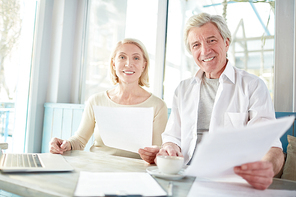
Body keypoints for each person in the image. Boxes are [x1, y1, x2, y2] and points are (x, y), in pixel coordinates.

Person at [139, 13, 284, 190]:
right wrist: (169, 147)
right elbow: (173, 136)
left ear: (226, 42)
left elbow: (272, 146)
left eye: (212, 40)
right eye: (196, 45)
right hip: (184, 177)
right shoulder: (182, 89)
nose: (205, 50)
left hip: (230, 182)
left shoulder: (253, 86)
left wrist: (267, 168)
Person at [49, 38, 168, 159]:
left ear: (144, 65)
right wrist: (64, 145)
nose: (128, 64)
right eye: (122, 57)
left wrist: (155, 156)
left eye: (136, 58)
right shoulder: (96, 101)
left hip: (136, 173)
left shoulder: (158, 106)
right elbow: (79, 141)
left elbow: (158, 151)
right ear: (113, 63)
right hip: (97, 169)